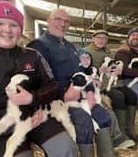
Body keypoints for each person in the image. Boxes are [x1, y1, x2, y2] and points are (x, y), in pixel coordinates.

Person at [0, 1, 77, 157]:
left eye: (13, 25)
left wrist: (32, 98)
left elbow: (52, 87)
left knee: (65, 147)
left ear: (20, 29)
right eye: (0, 23)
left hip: (36, 117)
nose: (7, 30)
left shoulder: (32, 55)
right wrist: (10, 124)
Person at [28, 9, 116, 157]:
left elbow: (79, 71)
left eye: (66, 21)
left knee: (105, 114)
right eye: (58, 19)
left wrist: (90, 81)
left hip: (78, 93)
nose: (62, 24)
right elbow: (37, 81)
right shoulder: (38, 46)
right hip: (57, 99)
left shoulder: (70, 46)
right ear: (48, 21)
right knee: (83, 120)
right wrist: (63, 95)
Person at [85, 29, 138, 143]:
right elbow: (85, 71)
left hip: (114, 81)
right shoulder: (86, 52)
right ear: (93, 39)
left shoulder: (110, 52)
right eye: (98, 37)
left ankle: (130, 129)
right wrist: (99, 71)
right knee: (119, 97)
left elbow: (117, 65)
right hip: (99, 84)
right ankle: (121, 133)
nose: (101, 40)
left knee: (131, 95)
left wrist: (118, 69)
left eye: (104, 38)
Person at [115, 28, 138, 106]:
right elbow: (125, 70)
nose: (136, 37)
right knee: (137, 95)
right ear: (128, 38)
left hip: (136, 77)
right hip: (127, 79)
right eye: (133, 35)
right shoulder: (123, 51)